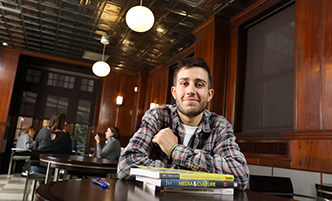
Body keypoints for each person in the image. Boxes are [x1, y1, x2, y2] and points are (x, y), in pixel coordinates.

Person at [117, 57, 249, 190]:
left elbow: (240, 175)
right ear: (174, 92)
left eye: (199, 84)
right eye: (184, 83)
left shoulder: (220, 125)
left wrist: (174, 150)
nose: (190, 91)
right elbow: (126, 165)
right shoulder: (157, 116)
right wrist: (192, 172)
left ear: (209, 94)